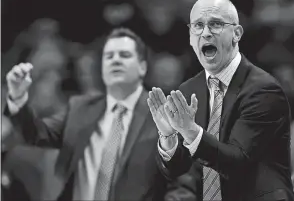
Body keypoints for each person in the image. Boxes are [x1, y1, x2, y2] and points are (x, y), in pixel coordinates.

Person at [4, 28, 192, 201]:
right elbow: (36, 134)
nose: (116, 61)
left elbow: (183, 185)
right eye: (109, 56)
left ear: (142, 67)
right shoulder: (80, 109)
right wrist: (17, 98)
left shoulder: (166, 115)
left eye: (124, 55)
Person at [147, 0, 294, 201]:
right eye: (198, 26)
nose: (206, 33)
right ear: (190, 38)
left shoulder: (264, 90)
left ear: (236, 33)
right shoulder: (189, 88)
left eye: (215, 24)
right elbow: (179, 171)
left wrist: (190, 131)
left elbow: (237, 161)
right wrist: (169, 137)